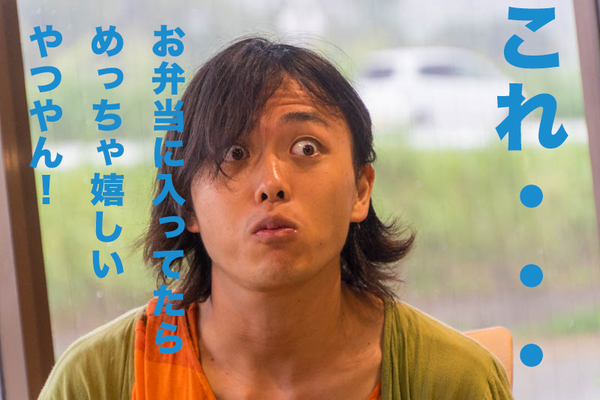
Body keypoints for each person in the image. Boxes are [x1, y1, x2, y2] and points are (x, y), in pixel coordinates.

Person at [39, 36, 514, 400]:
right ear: (187, 204)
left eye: (306, 148)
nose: (272, 182)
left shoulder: (455, 380)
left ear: (360, 190)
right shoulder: (97, 380)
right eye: (234, 152)